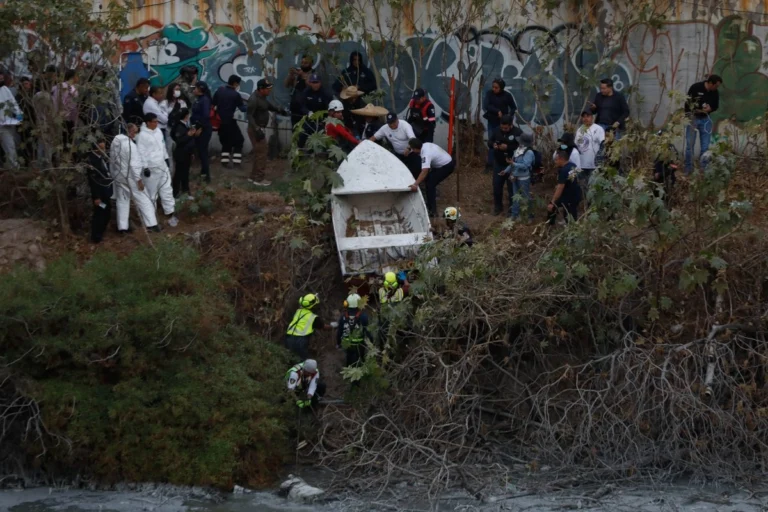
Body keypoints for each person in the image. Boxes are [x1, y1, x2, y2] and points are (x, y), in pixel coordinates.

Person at [109, 123, 160, 233]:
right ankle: (152, 224)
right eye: (135, 132)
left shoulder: (115, 142)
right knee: (144, 198)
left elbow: (111, 161)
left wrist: (114, 175)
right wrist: (139, 180)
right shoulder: (130, 145)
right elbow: (134, 164)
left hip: (119, 176)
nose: (136, 134)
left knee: (122, 201)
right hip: (130, 176)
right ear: (130, 131)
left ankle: (122, 228)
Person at [136, 113, 178, 227]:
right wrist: (145, 167)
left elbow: (162, 146)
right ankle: (151, 219)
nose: (156, 123)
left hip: (162, 165)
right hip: (151, 169)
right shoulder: (142, 136)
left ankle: (170, 212)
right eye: (154, 122)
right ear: (148, 123)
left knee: (166, 189)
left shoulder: (158, 132)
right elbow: (141, 152)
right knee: (151, 194)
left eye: (157, 121)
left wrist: (166, 158)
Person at [247, 78, 286, 186]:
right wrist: (256, 129)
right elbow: (249, 115)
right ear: (261, 89)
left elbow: (269, 106)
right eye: (267, 89)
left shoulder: (263, 98)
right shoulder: (253, 99)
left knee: (259, 153)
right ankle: (259, 179)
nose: (269, 90)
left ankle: (253, 176)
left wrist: (279, 110)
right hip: (256, 130)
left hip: (260, 128)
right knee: (262, 154)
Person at [406, 138, 455, 218]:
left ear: (415, 148)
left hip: (446, 166)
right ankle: (430, 200)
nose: (412, 150)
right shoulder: (425, 145)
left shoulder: (426, 154)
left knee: (430, 184)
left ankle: (432, 211)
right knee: (429, 180)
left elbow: (424, 171)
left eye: (412, 149)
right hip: (443, 162)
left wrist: (415, 184)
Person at [684, 74, 722, 175]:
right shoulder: (696, 87)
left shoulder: (715, 93)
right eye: (716, 86)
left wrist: (710, 109)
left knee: (705, 146)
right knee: (689, 145)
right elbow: (687, 102)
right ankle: (688, 168)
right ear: (710, 83)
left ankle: (704, 169)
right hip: (693, 119)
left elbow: (716, 105)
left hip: (706, 120)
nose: (716, 88)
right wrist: (690, 114)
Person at [285, 293, 336, 361]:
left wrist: (314, 296)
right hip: (300, 341)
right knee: (306, 362)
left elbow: (305, 304)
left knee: (290, 359)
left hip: (288, 338)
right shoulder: (313, 318)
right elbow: (323, 327)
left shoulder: (298, 311)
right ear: (313, 306)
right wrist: (332, 326)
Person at [488, 115, 523, 215]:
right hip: (498, 163)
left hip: (512, 164)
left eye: (506, 128)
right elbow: (490, 141)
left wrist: (508, 147)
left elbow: (522, 147)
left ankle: (512, 208)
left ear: (511, 125)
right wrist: (493, 145)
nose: (503, 130)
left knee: (512, 187)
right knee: (497, 186)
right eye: (502, 128)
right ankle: (498, 207)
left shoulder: (518, 132)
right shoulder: (496, 130)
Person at [213, 75, 247, 168]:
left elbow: (213, 104)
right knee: (239, 141)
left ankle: (224, 162)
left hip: (220, 122)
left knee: (226, 142)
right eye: (238, 84)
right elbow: (243, 109)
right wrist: (249, 105)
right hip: (229, 122)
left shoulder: (219, 91)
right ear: (235, 83)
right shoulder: (235, 94)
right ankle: (236, 163)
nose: (238, 85)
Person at [483, 78, 517, 173]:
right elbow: (486, 105)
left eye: (496, 87)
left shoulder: (507, 95)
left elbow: (513, 107)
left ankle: (507, 163)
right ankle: (490, 164)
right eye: (493, 87)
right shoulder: (489, 93)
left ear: (501, 88)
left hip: (504, 123)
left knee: (506, 143)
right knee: (492, 142)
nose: (494, 89)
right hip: (492, 121)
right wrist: (497, 111)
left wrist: (508, 117)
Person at [502, 132, 536, 221]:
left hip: (524, 178)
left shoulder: (529, 152)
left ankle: (529, 216)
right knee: (515, 196)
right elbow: (512, 162)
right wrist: (506, 171)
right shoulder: (518, 150)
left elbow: (525, 166)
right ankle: (514, 214)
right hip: (515, 177)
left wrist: (513, 163)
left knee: (525, 196)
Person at [86, 139, 112, 243]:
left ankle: (100, 234)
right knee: (100, 213)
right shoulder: (92, 162)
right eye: (101, 148)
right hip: (99, 195)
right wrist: (96, 197)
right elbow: (93, 181)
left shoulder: (101, 159)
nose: (104, 150)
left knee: (106, 211)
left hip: (105, 192)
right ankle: (96, 236)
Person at [160, 84, 189, 176]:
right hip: (169, 131)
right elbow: (162, 118)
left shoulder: (182, 103)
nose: (178, 91)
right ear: (171, 91)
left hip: (180, 132)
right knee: (169, 154)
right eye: (176, 89)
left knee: (181, 154)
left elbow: (186, 118)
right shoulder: (164, 103)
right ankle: (170, 175)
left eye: (179, 89)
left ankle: (179, 175)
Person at [548, 149, 582, 225]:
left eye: (556, 160)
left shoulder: (563, 171)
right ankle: (566, 222)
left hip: (570, 197)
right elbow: (573, 179)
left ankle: (570, 226)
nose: (555, 162)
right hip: (576, 193)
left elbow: (560, 188)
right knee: (569, 210)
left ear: (561, 159)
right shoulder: (573, 165)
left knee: (553, 206)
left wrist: (553, 201)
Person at [337, 293, 371, 368]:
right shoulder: (363, 317)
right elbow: (367, 331)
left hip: (347, 344)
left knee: (348, 359)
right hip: (360, 345)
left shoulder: (343, 317)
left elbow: (339, 332)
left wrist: (338, 343)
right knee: (361, 359)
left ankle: (348, 370)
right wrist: (371, 342)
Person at [574, 110, 605, 192]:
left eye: (587, 116)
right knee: (583, 187)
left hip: (594, 165)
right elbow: (576, 145)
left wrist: (600, 159)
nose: (585, 118)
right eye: (583, 117)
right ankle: (585, 203)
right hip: (582, 164)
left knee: (594, 187)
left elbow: (603, 144)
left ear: (592, 117)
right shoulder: (580, 130)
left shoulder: (598, 129)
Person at [171, 108, 198, 198]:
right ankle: (175, 194)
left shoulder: (186, 126)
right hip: (181, 154)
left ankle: (186, 192)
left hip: (187, 153)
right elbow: (179, 140)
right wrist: (188, 135)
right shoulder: (179, 126)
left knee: (185, 174)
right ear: (186, 116)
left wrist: (192, 152)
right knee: (179, 174)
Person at [51, 69, 79, 156]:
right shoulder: (69, 89)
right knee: (66, 140)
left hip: (60, 117)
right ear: (73, 77)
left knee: (60, 140)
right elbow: (71, 106)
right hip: (66, 118)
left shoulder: (57, 87)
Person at [190, 81, 213, 182]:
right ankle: (203, 172)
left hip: (203, 129)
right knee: (200, 151)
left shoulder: (204, 100)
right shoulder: (199, 99)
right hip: (198, 127)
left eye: (195, 88)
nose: (193, 90)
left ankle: (206, 176)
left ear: (200, 89)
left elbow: (206, 116)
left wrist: (200, 128)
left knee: (203, 152)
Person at [285, 54, 315, 128]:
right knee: (295, 130)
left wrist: (303, 76)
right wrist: (290, 75)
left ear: (311, 64)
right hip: (295, 108)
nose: (303, 64)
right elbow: (286, 85)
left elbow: (313, 87)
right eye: (302, 63)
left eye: (306, 63)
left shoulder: (314, 74)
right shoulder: (297, 74)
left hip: (307, 108)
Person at [0, 73, 22, 169]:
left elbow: (13, 103)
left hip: (5, 123)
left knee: (10, 146)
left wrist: (18, 114)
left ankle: (13, 168)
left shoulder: (4, 89)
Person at [15, 77, 34, 166]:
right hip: (24, 124)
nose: (28, 85)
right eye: (25, 84)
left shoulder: (31, 96)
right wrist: (20, 123)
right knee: (26, 143)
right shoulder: (18, 97)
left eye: (28, 83)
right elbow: (17, 111)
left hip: (32, 123)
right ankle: (26, 163)